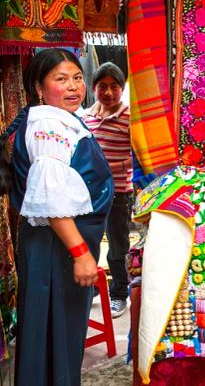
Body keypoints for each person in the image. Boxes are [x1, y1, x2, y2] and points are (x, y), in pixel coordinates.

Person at [0, 49, 114, 386]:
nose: (74, 86)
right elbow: (51, 197)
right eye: (61, 79)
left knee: (55, 333)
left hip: (55, 247)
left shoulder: (55, 118)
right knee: (55, 334)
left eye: (76, 77)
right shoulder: (48, 125)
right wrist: (81, 254)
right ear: (39, 87)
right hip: (57, 249)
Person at [82, 62, 133, 318]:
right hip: (90, 193)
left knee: (117, 245)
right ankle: (91, 289)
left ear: (122, 89)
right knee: (89, 241)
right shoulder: (85, 116)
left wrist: (110, 166)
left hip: (119, 192)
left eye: (115, 86)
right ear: (94, 88)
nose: (109, 92)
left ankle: (119, 293)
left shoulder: (129, 117)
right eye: (103, 86)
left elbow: (139, 157)